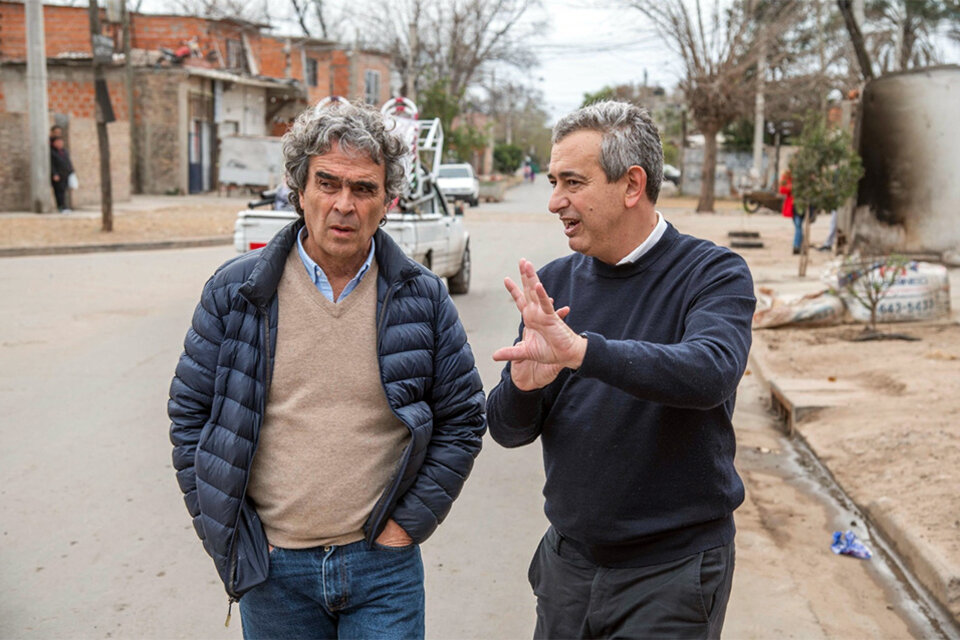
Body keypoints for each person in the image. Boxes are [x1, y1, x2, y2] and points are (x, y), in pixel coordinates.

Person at [168, 99, 485, 639]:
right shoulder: (237, 292)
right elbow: (190, 417)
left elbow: (463, 420)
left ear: (389, 201)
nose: (344, 204)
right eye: (328, 183)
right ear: (299, 191)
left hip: (383, 569)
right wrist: (232, 533)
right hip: (274, 571)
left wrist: (407, 526)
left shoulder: (423, 297)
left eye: (364, 189)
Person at [486, 100, 756, 639]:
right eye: (553, 181)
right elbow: (506, 430)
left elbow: (710, 372)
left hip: (671, 575)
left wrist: (583, 352)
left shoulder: (712, 273)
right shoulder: (555, 283)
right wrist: (523, 387)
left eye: (572, 182)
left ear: (631, 185)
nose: (555, 201)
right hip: (568, 567)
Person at [779, 169, 803, 254]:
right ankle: (799, 245)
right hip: (794, 205)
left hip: (802, 204)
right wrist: (791, 187)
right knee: (798, 225)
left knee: (798, 225)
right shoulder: (788, 175)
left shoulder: (804, 175)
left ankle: (797, 245)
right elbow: (782, 189)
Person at [50, 136, 73, 213]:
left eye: (61, 142)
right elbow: (51, 164)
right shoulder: (52, 152)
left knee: (64, 191)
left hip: (65, 174)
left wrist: (71, 171)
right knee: (59, 192)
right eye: (58, 142)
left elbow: (68, 162)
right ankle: (61, 207)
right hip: (58, 175)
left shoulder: (64, 151)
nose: (60, 143)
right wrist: (54, 174)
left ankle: (65, 206)